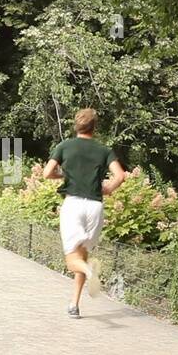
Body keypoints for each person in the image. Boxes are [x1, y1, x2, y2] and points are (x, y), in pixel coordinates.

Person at [43, 109, 126, 319]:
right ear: (94, 127)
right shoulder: (104, 150)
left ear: (76, 125)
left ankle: (91, 272)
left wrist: (63, 174)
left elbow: (47, 173)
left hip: (74, 205)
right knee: (82, 254)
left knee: (73, 260)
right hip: (95, 207)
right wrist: (108, 189)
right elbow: (120, 175)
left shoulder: (65, 146)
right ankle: (74, 304)